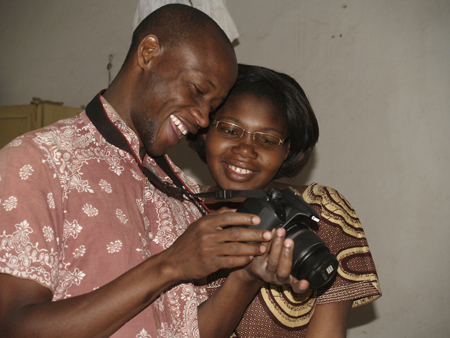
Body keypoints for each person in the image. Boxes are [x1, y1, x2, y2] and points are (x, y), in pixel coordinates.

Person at [0, 5, 308, 338]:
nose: (204, 119)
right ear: (148, 53)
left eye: (213, 107)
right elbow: (13, 326)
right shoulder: (39, 160)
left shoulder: (184, 191)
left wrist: (246, 278)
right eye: (198, 90)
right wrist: (169, 265)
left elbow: (189, 332)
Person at [187, 64, 382, 337]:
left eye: (267, 139)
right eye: (230, 130)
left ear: (286, 150)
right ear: (206, 130)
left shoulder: (321, 213)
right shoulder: (172, 209)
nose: (245, 149)